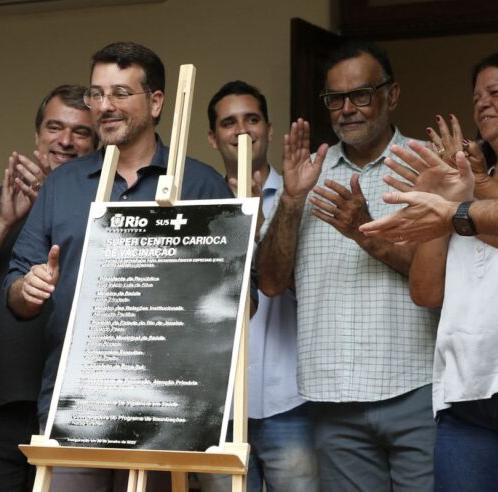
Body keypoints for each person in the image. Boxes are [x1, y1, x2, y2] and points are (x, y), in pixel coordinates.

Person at [5, 41, 232, 491]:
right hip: (76, 409)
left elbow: (242, 301)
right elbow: (16, 286)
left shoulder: (201, 183)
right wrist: (27, 288)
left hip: (170, 414)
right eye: (96, 94)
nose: (104, 106)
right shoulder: (64, 184)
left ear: (156, 101)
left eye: (120, 93)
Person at [257, 41, 439, 491]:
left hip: (417, 388)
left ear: (391, 95)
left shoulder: (428, 168)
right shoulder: (309, 174)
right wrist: (292, 201)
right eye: (335, 99)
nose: (347, 109)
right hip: (332, 398)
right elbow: (272, 283)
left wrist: (366, 234)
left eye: (361, 94)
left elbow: (447, 280)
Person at [0, 84, 97, 492]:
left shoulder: (106, 208)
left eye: (81, 132)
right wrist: (4, 222)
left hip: (76, 408)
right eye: (55, 127)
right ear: (37, 136)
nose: (65, 140)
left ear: (97, 143)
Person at [359, 52, 498, 491]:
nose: (482, 104)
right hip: (465, 397)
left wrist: (456, 210)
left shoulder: (470, 198)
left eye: (494, 93)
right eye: (477, 97)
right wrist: (438, 204)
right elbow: (426, 291)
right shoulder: (463, 182)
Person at [198, 80, 319, 492]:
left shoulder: (303, 196)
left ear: (268, 127)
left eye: (252, 118)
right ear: (213, 138)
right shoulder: (199, 203)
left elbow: (307, 286)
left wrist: (260, 222)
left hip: (291, 400)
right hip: (220, 408)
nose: (242, 130)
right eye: (229, 122)